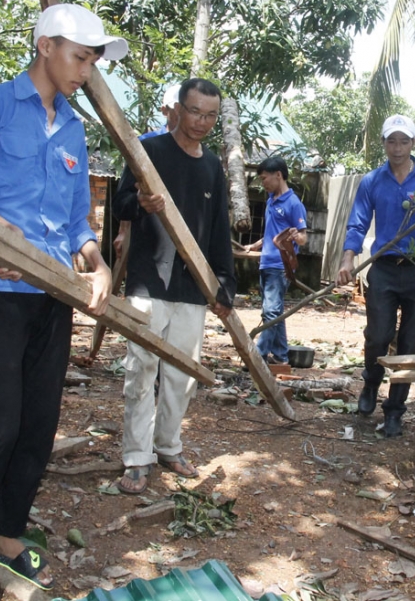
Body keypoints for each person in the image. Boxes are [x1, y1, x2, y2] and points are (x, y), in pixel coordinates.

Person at [0, 3, 124, 601]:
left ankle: (7, 534)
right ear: (45, 45)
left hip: (53, 292)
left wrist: (99, 264)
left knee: (40, 425)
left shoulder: (72, 128)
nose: (86, 70)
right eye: (80, 56)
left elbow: (76, 222)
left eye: (93, 61)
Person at [113, 77, 236, 493]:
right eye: (195, 111)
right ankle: (136, 456)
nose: (201, 122)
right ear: (177, 110)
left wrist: (224, 282)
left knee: (182, 374)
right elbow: (120, 203)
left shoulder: (213, 166)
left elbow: (219, 229)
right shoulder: (149, 151)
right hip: (148, 281)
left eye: (210, 115)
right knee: (141, 369)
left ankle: (168, 445)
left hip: (192, 286)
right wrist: (140, 204)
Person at [335, 114, 415, 438]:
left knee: (410, 345)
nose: (397, 148)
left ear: (413, 143)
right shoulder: (372, 180)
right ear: (384, 144)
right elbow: (357, 223)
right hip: (384, 268)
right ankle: (371, 383)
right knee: (378, 335)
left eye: (403, 141)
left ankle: (395, 410)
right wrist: (347, 259)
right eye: (391, 141)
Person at [247, 156, 308, 364]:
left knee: (271, 311)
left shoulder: (293, 203)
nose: (263, 183)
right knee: (276, 311)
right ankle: (281, 356)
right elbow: (271, 233)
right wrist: (256, 245)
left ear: (278, 175)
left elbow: (303, 236)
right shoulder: (270, 201)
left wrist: (296, 237)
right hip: (266, 263)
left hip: (280, 265)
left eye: (265, 178)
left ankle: (258, 355)